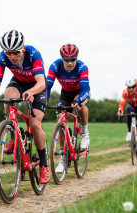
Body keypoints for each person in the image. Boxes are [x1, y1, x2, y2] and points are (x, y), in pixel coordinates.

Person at [0, 30, 49, 184]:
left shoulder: (33, 54)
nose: (12, 56)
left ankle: (44, 164)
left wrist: (30, 92)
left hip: (37, 85)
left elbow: (41, 82)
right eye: (9, 53)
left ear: (23, 48)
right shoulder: (3, 57)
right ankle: (12, 133)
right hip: (19, 82)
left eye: (16, 52)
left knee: (35, 124)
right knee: (8, 96)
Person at [46, 43, 90, 173]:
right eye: (66, 59)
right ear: (62, 58)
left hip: (80, 93)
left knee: (81, 106)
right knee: (60, 119)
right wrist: (43, 102)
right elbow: (47, 87)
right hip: (65, 94)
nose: (70, 63)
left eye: (73, 59)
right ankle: (62, 157)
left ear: (77, 58)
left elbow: (85, 90)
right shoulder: (55, 66)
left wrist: (78, 99)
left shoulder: (82, 67)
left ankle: (84, 132)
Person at [117, 79, 137, 159]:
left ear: (136, 86)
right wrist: (120, 110)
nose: (131, 89)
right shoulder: (126, 92)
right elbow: (122, 102)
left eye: (133, 87)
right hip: (131, 106)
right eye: (129, 87)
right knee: (128, 110)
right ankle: (129, 131)